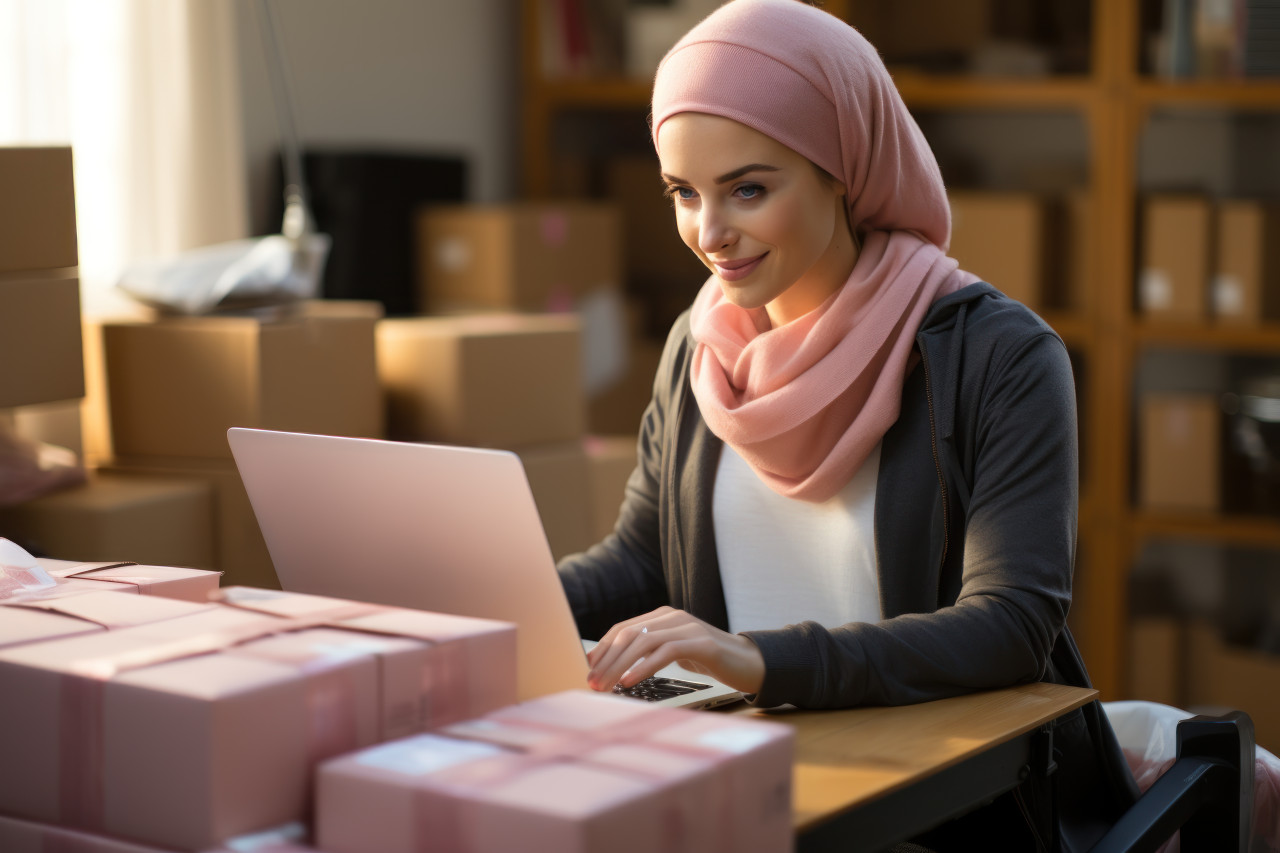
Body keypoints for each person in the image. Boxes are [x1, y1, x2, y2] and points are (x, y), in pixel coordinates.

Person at [555, 0, 1140, 848]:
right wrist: (504, 603)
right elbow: (644, 559)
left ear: (845, 169)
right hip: (742, 782)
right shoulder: (700, 343)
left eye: (748, 189)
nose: (710, 234)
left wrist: (762, 661)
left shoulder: (1001, 355)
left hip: (947, 813)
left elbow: (1012, 624)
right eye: (685, 193)